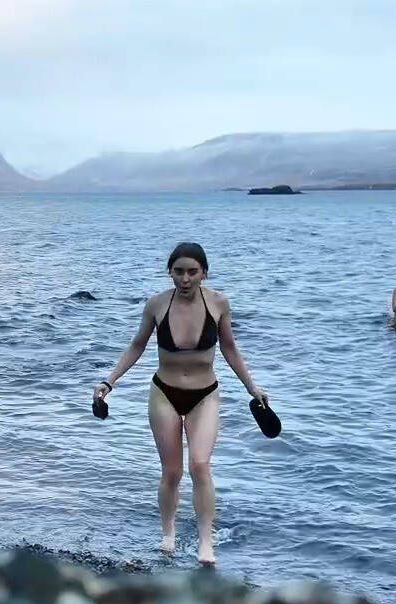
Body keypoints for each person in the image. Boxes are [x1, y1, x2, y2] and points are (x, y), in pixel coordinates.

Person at [94, 242, 268, 568]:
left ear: (204, 272)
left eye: (192, 272)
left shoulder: (218, 303)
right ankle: (168, 535)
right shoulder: (157, 304)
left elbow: (230, 348)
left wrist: (252, 387)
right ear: (169, 272)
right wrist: (109, 381)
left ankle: (206, 542)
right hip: (165, 393)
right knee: (171, 471)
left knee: (200, 465)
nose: (185, 278)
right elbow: (137, 346)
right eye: (178, 272)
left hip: (205, 394)